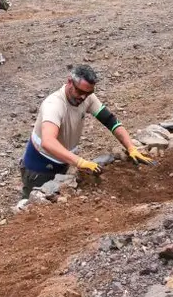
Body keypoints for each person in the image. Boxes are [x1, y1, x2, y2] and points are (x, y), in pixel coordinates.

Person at [20, 64, 153, 199]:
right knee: (35, 204)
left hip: (63, 161)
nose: (83, 97)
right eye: (80, 92)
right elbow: (48, 142)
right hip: (39, 167)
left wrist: (131, 147)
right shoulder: (54, 105)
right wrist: (80, 162)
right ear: (69, 82)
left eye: (88, 93)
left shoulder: (87, 97)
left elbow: (110, 121)